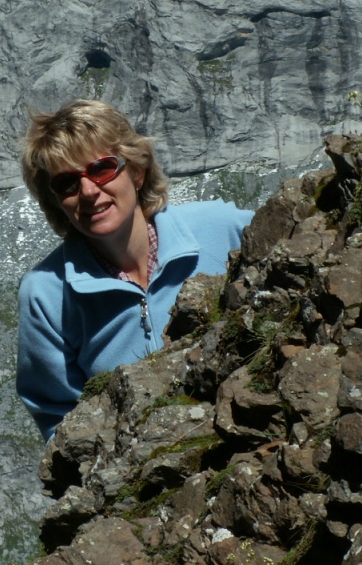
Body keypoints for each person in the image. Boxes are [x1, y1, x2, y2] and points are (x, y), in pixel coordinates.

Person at [16, 100, 253, 441]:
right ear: (55, 200)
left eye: (102, 169)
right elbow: (59, 417)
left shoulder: (222, 228)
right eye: (67, 183)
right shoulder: (46, 294)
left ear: (137, 172)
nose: (88, 191)